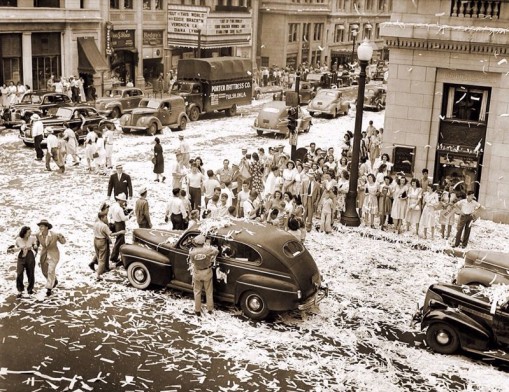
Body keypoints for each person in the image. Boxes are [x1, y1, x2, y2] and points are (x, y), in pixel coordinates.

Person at [188, 234, 219, 316]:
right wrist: (210, 247)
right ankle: (210, 309)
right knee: (209, 292)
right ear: (203, 243)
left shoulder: (192, 252)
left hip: (197, 272)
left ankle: (197, 310)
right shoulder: (208, 250)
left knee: (197, 291)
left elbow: (192, 262)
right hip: (207, 272)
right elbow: (216, 251)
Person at [35, 219, 66, 297]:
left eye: (42, 226)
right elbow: (36, 243)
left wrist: (61, 236)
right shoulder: (38, 234)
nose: (40, 227)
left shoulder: (54, 235)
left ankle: (49, 288)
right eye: (40, 226)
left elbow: (63, 242)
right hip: (44, 255)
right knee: (44, 271)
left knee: (51, 270)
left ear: (46, 227)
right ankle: (54, 280)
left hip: (54, 255)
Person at [93, 211, 125, 281]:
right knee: (102, 259)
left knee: (98, 256)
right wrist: (121, 232)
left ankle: (101, 269)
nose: (106, 219)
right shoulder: (104, 226)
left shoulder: (96, 223)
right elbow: (111, 234)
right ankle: (99, 274)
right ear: (101, 218)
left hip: (95, 240)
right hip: (102, 241)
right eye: (105, 217)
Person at [13, 226, 38, 298]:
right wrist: (19, 248)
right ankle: (20, 290)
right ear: (24, 233)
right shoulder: (18, 239)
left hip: (30, 255)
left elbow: (35, 244)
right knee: (19, 272)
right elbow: (16, 247)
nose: (30, 233)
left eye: (30, 232)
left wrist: (35, 246)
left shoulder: (32, 238)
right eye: (28, 232)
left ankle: (30, 289)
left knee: (30, 273)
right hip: (21, 255)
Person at [109, 193, 132, 266]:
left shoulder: (113, 206)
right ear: (120, 200)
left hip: (115, 223)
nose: (124, 202)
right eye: (123, 201)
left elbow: (110, 214)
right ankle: (114, 257)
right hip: (120, 224)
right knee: (119, 241)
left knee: (120, 241)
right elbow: (124, 218)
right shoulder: (119, 209)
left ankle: (119, 256)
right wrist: (129, 215)